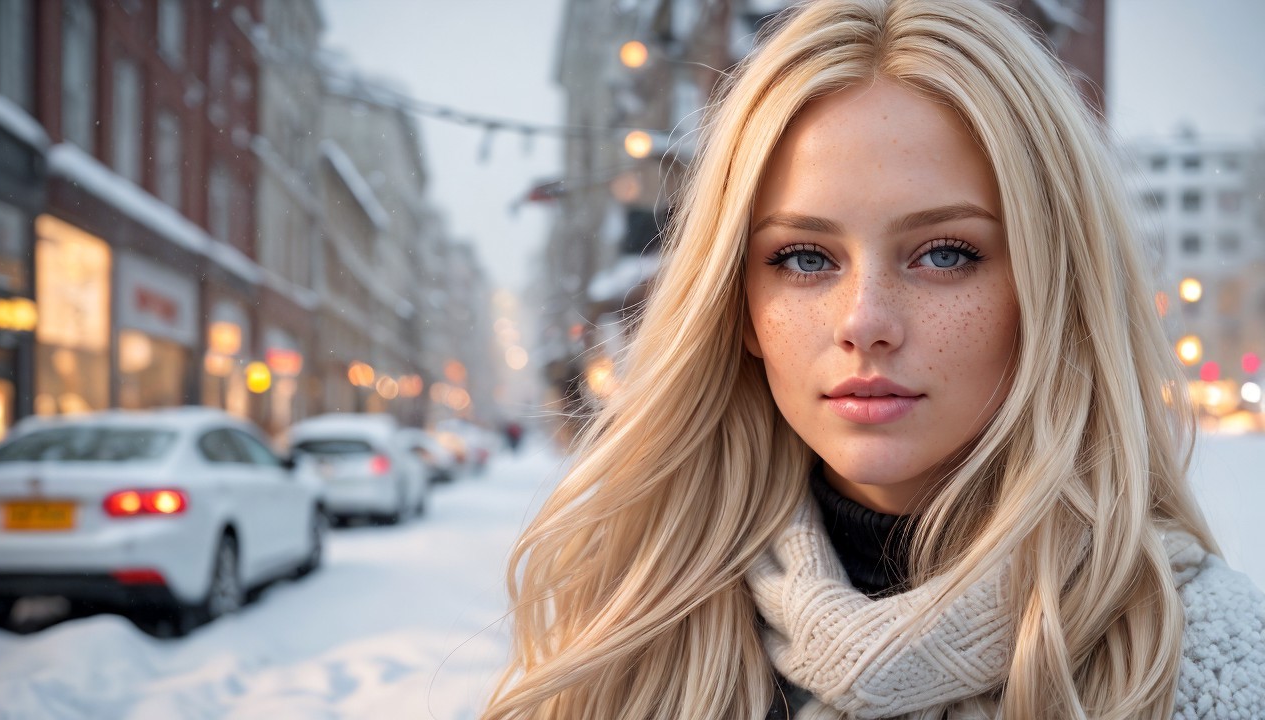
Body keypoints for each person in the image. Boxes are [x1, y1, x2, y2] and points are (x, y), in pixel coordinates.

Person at [481, 1, 1265, 717]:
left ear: (1051, 289)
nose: (865, 323)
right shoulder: (623, 644)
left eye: (946, 254)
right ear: (739, 307)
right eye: (804, 258)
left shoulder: (1211, 665)